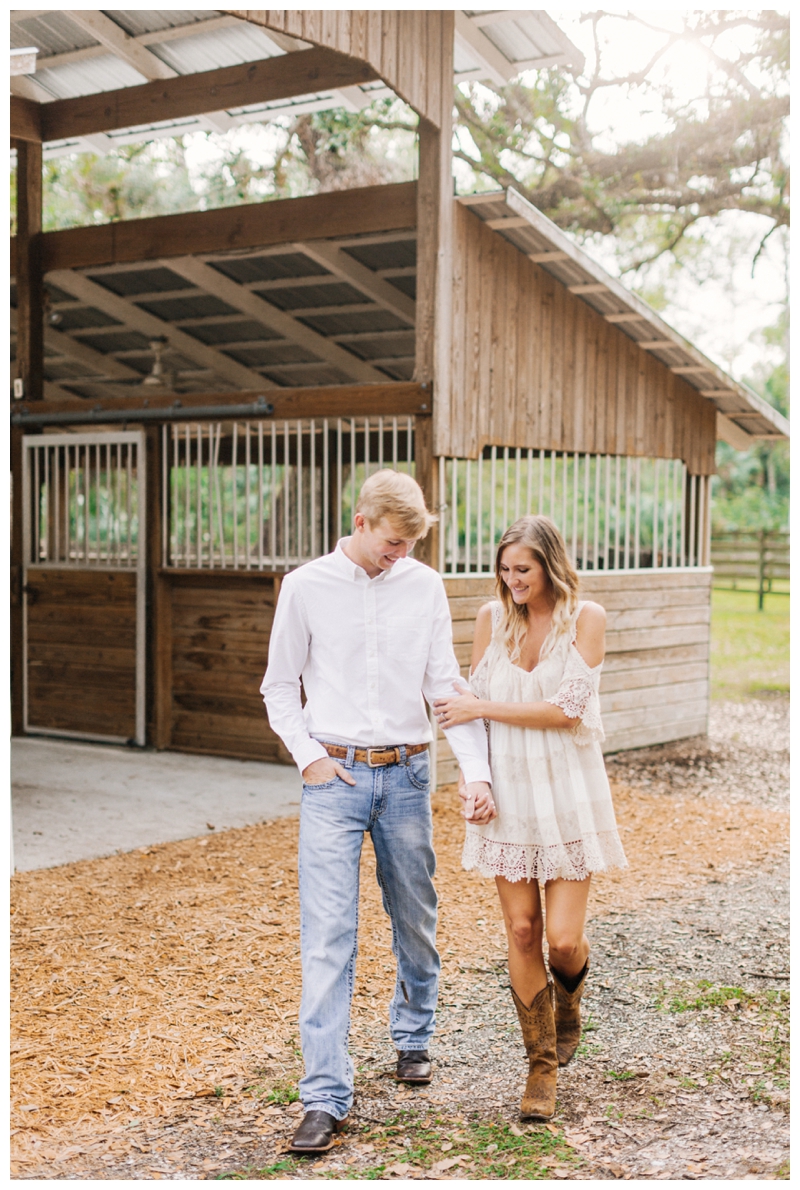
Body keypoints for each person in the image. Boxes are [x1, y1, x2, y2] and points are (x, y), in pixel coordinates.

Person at [260, 469, 495, 1155]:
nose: (400, 556)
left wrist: (475, 771)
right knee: (328, 935)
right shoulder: (304, 587)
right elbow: (280, 685)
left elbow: (443, 682)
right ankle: (324, 1097)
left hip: (408, 774)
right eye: (392, 543)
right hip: (332, 778)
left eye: (409, 546)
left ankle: (413, 1035)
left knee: (416, 917)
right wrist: (307, 756)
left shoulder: (423, 585)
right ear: (361, 522)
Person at [433, 514, 627, 1121]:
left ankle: (569, 1003)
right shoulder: (492, 620)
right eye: (505, 569)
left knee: (563, 940)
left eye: (524, 569)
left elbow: (567, 710)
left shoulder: (586, 619)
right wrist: (473, 778)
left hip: (568, 790)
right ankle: (539, 1066)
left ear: (550, 565)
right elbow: (471, 722)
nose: (511, 580)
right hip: (509, 795)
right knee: (521, 931)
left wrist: (478, 705)